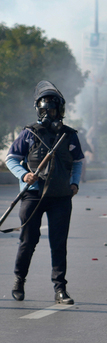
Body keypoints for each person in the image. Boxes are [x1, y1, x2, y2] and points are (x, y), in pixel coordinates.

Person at [5, 80, 85, 304]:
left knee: (59, 244)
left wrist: (74, 183)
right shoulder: (29, 133)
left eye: (53, 110)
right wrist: (23, 175)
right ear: (39, 112)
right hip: (33, 195)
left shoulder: (69, 135)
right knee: (28, 241)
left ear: (60, 111)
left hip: (61, 196)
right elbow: (11, 159)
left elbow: (78, 161)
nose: (49, 114)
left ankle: (60, 289)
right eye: (45, 110)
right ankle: (19, 280)